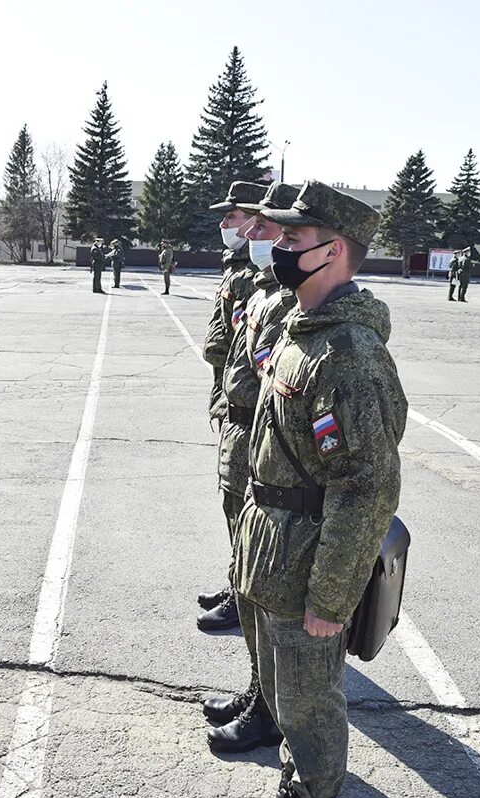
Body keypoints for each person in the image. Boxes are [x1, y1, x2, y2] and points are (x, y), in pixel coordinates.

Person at [236, 180, 406, 798]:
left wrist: (331, 599)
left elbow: (365, 488)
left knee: (309, 709)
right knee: (283, 694)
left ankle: (313, 788)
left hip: (306, 562)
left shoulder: (348, 353)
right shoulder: (304, 328)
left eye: (292, 237)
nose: (276, 246)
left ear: (333, 250)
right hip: (270, 551)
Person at [204, 181, 300, 754]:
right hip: (241, 426)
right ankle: (259, 693)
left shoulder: (285, 293)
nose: (246, 232)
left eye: (261, 224)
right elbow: (236, 351)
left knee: (266, 591)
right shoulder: (260, 284)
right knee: (249, 577)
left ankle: (270, 710)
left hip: (269, 451)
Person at [197, 180, 268, 633]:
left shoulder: (255, 274)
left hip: (247, 413)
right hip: (231, 403)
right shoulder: (237, 267)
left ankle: (246, 597)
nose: (224, 224)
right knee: (233, 504)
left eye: (233, 216)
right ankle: (236, 581)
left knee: (243, 505)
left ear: (256, 220)